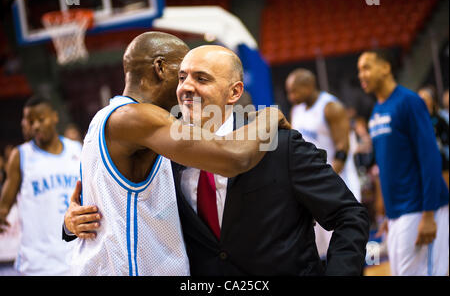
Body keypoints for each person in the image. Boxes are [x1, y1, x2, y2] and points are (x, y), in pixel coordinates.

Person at [66, 45, 370, 276]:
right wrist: (70, 223)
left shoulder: (281, 145)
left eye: (202, 78)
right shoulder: (160, 157)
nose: (186, 87)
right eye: (182, 77)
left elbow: (349, 216)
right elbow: (119, 205)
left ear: (234, 92)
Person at [65, 32, 287, 276]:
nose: (187, 85)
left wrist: (68, 224)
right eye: (182, 74)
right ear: (160, 68)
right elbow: (234, 157)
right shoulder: (134, 118)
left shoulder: (115, 121)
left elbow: (93, 208)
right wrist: (270, 116)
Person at [357, 49, 449, 276]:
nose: (361, 75)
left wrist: (429, 214)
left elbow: (430, 157)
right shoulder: (376, 112)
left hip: (421, 209)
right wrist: (389, 212)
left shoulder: (410, 102)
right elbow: (388, 167)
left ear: (386, 68)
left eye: (367, 67)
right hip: (397, 214)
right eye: (359, 70)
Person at [0, 95, 82, 275]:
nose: (35, 125)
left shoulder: (77, 150)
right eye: (30, 121)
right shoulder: (20, 155)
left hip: (75, 259)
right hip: (36, 264)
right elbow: (4, 207)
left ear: (54, 117)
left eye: (40, 119)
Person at [285, 68, 362, 259]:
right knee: (321, 252)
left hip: (337, 183)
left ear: (309, 86)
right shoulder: (297, 110)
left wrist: (323, 182)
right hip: (314, 185)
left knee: (344, 248)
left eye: (294, 91)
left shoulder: (330, 107)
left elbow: (342, 151)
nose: (290, 96)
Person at [418, 86, 449, 188]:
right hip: (426, 161)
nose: (422, 102)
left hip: (441, 157)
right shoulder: (417, 120)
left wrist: (442, 141)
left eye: (424, 99)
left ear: (431, 100)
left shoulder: (439, 117)